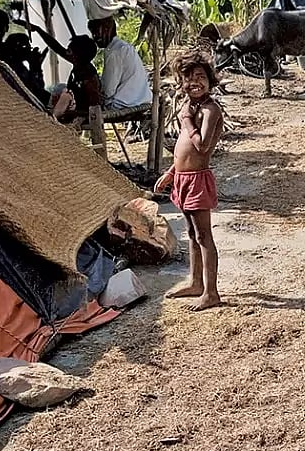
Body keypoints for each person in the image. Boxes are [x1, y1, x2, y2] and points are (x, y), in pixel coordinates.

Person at [154, 52, 225, 312]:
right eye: (189, 78)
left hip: (197, 180)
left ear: (210, 80)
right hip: (182, 179)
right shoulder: (191, 107)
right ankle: (196, 283)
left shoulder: (210, 109)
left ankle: (211, 292)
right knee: (192, 235)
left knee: (204, 235)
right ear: (181, 82)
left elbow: (202, 146)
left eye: (201, 77)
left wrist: (186, 121)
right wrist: (171, 173)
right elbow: (184, 152)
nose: (195, 82)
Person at [22, 22, 101, 123]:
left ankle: (51, 122)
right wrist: (38, 29)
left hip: (77, 112)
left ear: (76, 55)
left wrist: (74, 114)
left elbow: (94, 106)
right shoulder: (79, 64)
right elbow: (56, 47)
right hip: (67, 107)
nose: (66, 52)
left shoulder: (89, 78)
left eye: (69, 51)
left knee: (66, 95)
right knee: (37, 92)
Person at [88, 17, 151, 111]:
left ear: (107, 29)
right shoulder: (123, 46)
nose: (95, 37)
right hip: (140, 99)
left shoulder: (114, 51)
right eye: (93, 33)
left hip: (122, 104)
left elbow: (108, 91)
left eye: (96, 32)